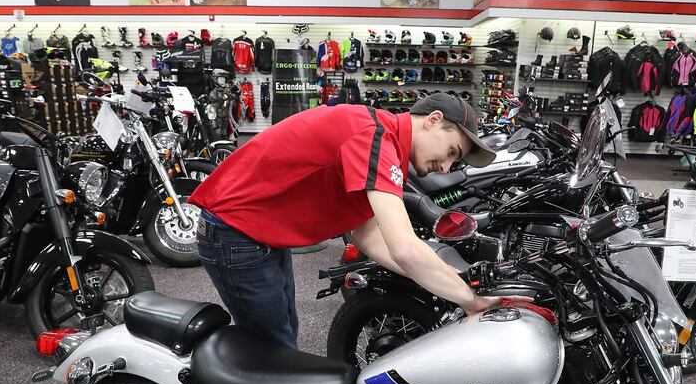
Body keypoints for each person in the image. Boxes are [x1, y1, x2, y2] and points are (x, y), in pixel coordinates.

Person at [188, 92, 525, 349]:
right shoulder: (372, 135)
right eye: (452, 151)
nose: (447, 167)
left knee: (284, 331)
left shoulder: (382, 136)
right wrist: (470, 300)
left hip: (259, 234)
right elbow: (404, 248)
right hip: (235, 231)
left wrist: (456, 280)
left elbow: (371, 238)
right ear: (433, 120)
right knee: (271, 347)